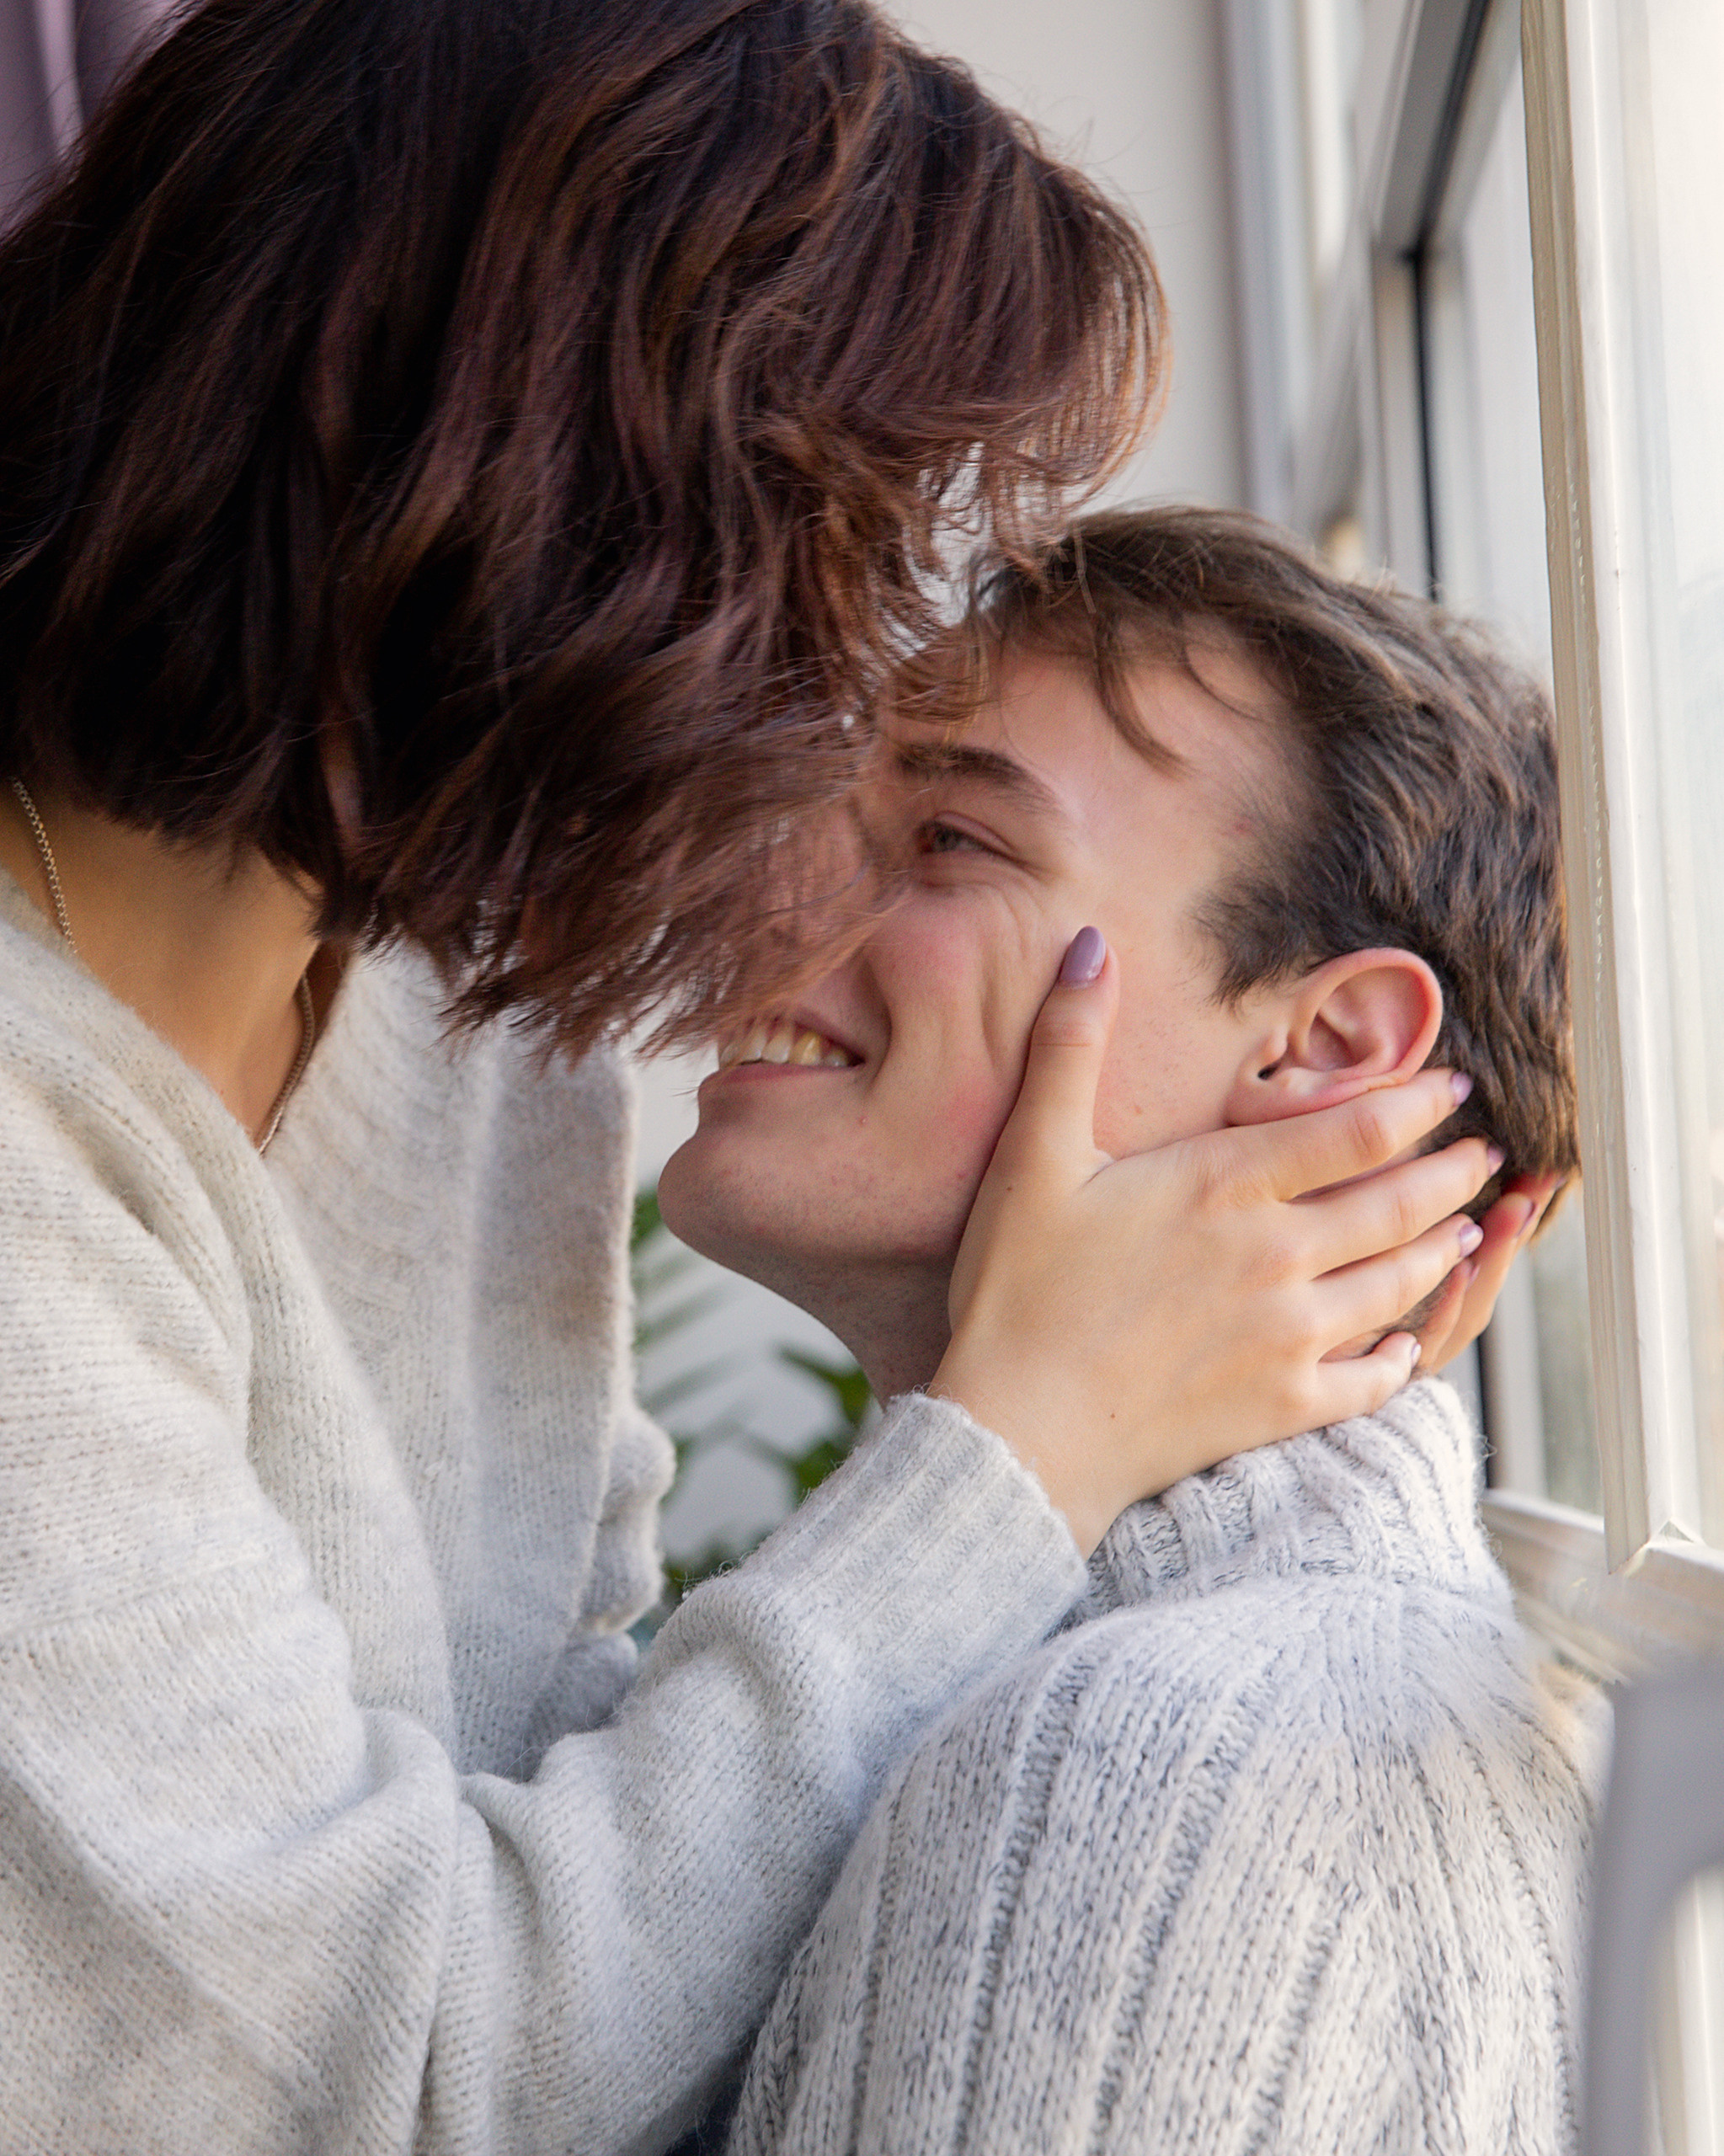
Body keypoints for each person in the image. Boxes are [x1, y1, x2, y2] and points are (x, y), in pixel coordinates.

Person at [0, 5, 1515, 2149]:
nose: (845, 666)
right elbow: (386, 2077)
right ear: (535, 483)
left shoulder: (456, 1024)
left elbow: (559, 1759)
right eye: (829, 536)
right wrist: (1019, 1446)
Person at [657, 506, 1602, 2154]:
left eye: (949, 836)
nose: (762, 887)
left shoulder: (1144, 1763)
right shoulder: (1230, 1686)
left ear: (1323, 1051)